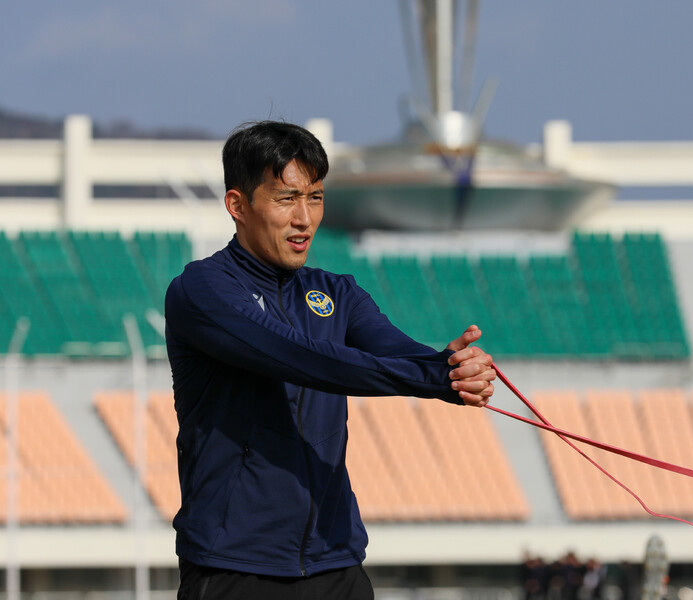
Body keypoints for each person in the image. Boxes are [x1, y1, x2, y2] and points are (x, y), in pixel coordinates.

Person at [165, 120, 496, 599]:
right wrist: (433, 378)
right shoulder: (202, 290)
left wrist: (455, 368)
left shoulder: (337, 292)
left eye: (315, 197)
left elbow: (403, 352)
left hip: (336, 563)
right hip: (234, 566)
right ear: (237, 206)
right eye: (286, 199)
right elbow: (297, 356)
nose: (304, 218)